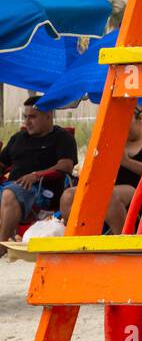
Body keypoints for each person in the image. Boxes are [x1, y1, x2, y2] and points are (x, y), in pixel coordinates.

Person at [59, 106, 142, 233]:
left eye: (125, 122)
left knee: (110, 196)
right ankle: (80, 236)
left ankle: (124, 240)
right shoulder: (114, 141)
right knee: (68, 196)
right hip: (113, 188)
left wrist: (127, 162)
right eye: (118, 123)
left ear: (140, 118)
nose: (121, 127)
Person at [0, 98, 77, 255]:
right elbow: (2, 164)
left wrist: (36, 175)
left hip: (41, 190)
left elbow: (66, 165)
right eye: (25, 117)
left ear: (48, 115)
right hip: (12, 186)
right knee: (9, 191)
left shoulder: (62, 137)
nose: (27, 122)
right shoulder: (18, 138)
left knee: (9, 194)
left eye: (32, 117)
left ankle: (1, 246)